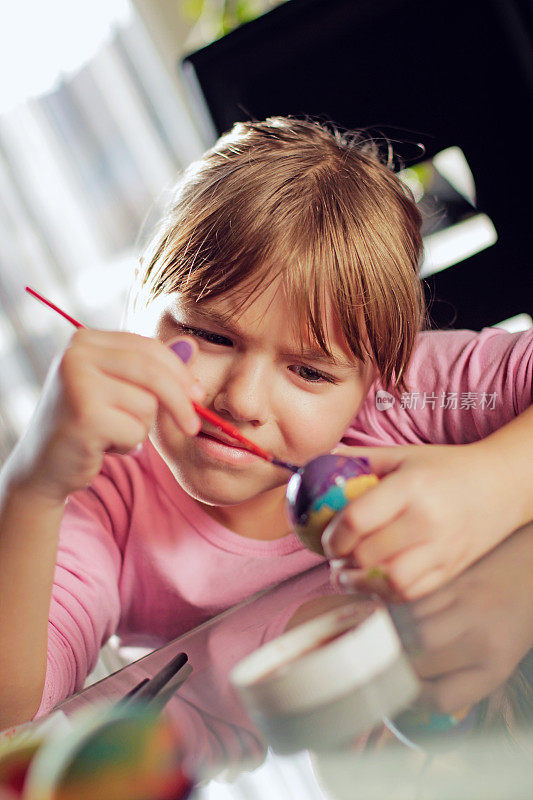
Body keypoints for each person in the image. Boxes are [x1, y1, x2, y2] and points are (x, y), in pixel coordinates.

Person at [0, 116, 531, 729]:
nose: (242, 402)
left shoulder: (401, 398)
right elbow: (11, 704)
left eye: (309, 373)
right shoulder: (105, 498)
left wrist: (493, 486)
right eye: (207, 335)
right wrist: (32, 488)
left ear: (375, 376)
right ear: (140, 302)